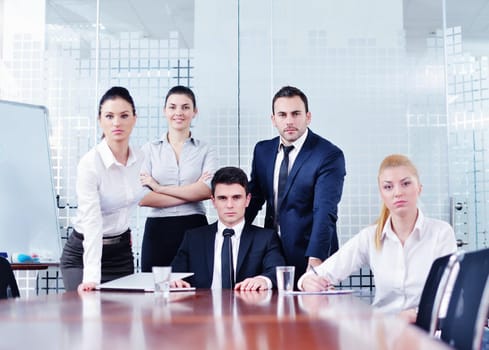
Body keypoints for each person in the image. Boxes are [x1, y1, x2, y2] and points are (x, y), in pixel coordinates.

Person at [297, 154, 458, 321]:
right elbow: (314, 276)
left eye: (406, 184)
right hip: (383, 333)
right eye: (388, 187)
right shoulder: (370, 237)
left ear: (419, 188)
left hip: (425, 332)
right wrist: (308, 282)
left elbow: (449, 295)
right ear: (381, 193)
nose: (398, 193)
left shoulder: (441, 233)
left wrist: (417, 316)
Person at [245, 85, 346, 283]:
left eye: (296, 113)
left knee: (313, 313)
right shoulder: (263, 151)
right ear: (273, 120)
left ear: (308, 117)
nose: (289, 121)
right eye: (282, 114)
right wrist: (232, 234)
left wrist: (316, 260)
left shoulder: (328, 155)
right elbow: (254, 199)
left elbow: (325, 210)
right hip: (271, 253)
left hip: (310, 253)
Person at [60, 86, 146, 292]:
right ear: (100, 120)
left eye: (124, 115)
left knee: (121, 321)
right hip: (83, 254)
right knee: (86, 317)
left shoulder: (141, 159)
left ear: (134, 119)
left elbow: (150, 192)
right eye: (109, 116)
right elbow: (91, 222)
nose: (117, 122)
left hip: (121, 253)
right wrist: (91, 278)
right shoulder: (90, 164)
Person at [139, 85, 217, 271]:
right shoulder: (148, 150)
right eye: (172, 107)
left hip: (195, 226)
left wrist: (159, 188)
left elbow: (206, 190)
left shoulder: (205, 150)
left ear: (194, 111)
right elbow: (142, 198)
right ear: (165, 111)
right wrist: (192, 191)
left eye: (185, 107)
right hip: (158, 229)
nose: (178, 112)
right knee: (155, 290)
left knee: (197, 290)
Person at [171, 166, 285, 291]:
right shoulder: (193, 238)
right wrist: (174, 282)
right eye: (222, 198)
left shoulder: (266, 238)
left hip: (248, 306)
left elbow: (277, 271)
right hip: (203, 307)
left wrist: (263, 280)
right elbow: (175, 275)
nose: (229, 205)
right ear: (213, 202)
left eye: (236, 197)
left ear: (247, 200)